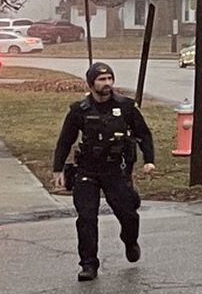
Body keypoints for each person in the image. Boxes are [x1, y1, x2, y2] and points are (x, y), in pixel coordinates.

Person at [49, 62, 157, 282]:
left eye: (109, 79)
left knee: (128, 214)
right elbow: (65, 140)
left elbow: (143, 134)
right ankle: (88, 264)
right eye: (101, 80)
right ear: (90, 84)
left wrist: (149, 160)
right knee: (87, 218)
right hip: (87, 170)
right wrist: (58, 168)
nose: (107, 84)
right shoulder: (79, 110)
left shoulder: (126, 107)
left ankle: (129, 240)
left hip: (116, 170)